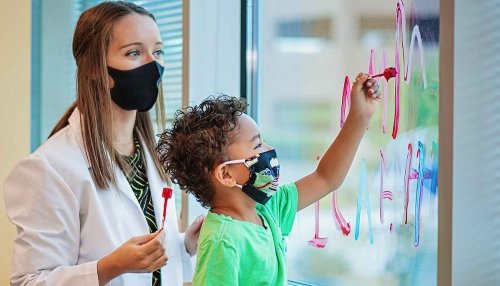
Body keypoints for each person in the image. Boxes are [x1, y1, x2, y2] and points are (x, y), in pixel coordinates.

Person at [3, 2, 203, 286]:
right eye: (134, 52)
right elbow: (30, 281)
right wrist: (109, 267)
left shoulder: (150, 153)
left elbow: (143, 256)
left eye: (157, 51)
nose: (153, 64)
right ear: (95, 68)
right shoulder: (49, 168)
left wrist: (184, 246)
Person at [156, 74, 380, 285]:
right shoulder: (222, 242)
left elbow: (326, 178)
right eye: (257, 145)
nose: (270, 150)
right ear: (226, 174)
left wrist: (360, 117)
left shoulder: (266, 209)